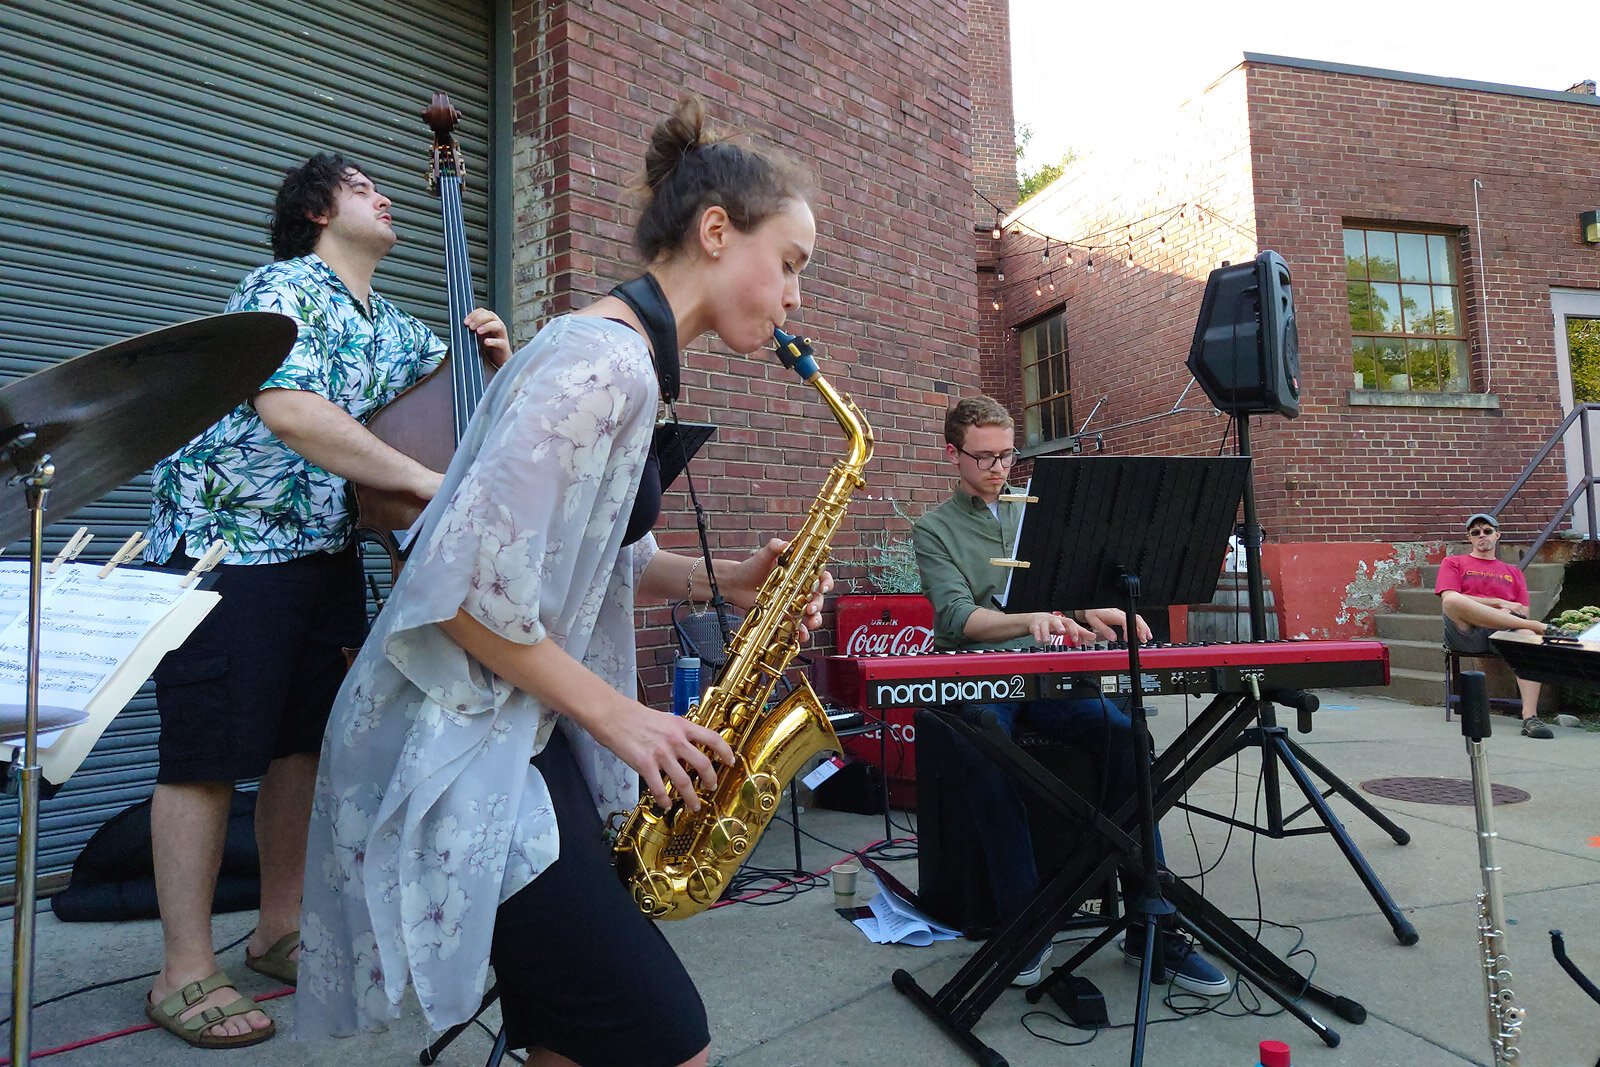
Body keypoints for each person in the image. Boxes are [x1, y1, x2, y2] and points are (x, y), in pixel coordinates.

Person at [295, 96, 829, 1067]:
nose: (795, 296)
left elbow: (588, 564)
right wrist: (619, 717)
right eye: (788, 262)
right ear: (716, 232)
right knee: (669, 1040)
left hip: (519, 741)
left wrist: (728, 581)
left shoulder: (618, 356)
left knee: (569, 1042)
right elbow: (452, 585)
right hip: (462, 752)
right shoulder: (604, 364)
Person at [139, 153, 510, 1048]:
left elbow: (465, 405)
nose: (384, 197)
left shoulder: (392, 325)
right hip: (230, 543)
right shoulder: (282, 286)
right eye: (359, 187)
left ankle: (277, 926)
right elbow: (293, 410)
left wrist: (496, 359)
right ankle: (183, 970)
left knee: (304, 746)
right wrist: (430, 482)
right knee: (206, 751)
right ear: (316, 209)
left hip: (322, 550)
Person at [912, 395, 1230, 995]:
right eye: (984, 457)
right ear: (952, 454)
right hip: (979, 673)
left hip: (1044, 672)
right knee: (987, 752)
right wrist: (1031, 617)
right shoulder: (934, 529)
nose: (999, 468)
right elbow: (957, 617)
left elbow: (1061, 582)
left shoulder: (1030, 511)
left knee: (1123, 734)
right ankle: (1026, 922)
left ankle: (1149, 926)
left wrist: (1093, 605)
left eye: (1007, 455)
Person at [1436, 511, 1560, 739]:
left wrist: (1506, 613)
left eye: (1487, 531)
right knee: (1453, 601)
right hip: (1466, 632)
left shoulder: (1513, 572)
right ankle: (1540, 627)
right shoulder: (1454, 562)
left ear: (1497, 535)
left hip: (1503, 635)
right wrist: (1499, 603)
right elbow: (1449, 598)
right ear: (1470, 538)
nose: (1482, 536)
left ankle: (1530, 717)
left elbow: (1522, 610)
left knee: (1526, 635)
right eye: (1476, 532)